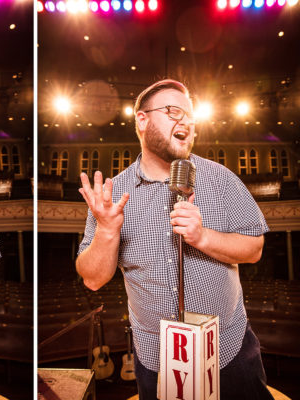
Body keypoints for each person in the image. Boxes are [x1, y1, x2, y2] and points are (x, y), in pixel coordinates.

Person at [76, 79, 273, 399]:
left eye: (190, 116)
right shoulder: (113, 197)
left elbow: (254, 249)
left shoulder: (221, 179)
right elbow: (93, 279)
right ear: (142, 120)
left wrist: (202, 237)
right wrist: (107, 231)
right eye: (172, 111)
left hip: (228, 351)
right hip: (157, 359)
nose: (185, 120)